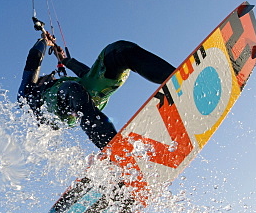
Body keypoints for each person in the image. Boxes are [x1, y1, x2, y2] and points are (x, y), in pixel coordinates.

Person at [17, 31, 175, 150]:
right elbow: (34, 58)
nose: (50, 78)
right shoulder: (29, 93)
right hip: (62, 108)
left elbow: (89, 75)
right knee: (72, 89)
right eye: (47, 79)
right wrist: (44, 41)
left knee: (119, 50)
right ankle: (114, 150)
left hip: (83, 95)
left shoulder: (68, 84)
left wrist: (66, 60)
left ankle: (177, 79)